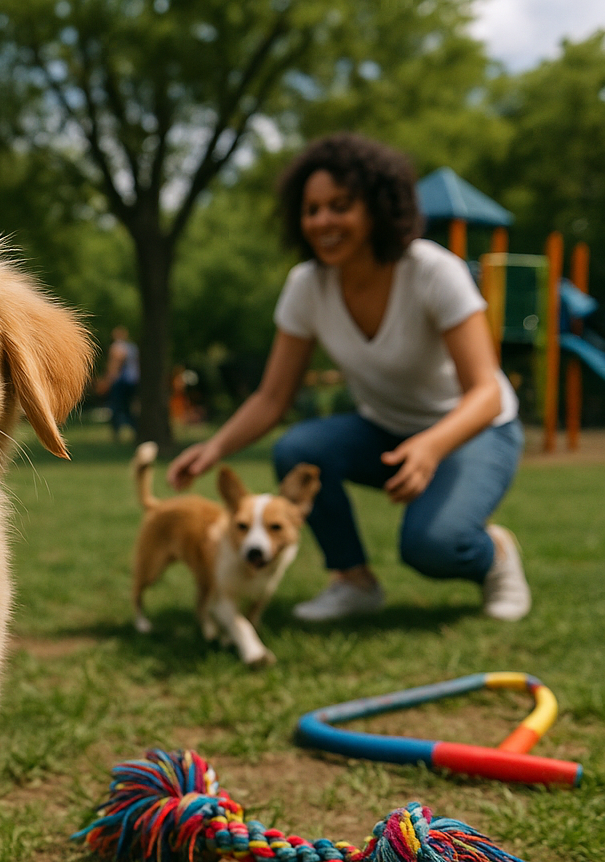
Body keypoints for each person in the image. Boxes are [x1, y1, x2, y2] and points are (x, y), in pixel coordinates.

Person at [167, 133, 530, 622]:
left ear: (378, 208)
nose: (322, 221)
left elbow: (486, 393)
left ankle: (495, 555)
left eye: (340, 206)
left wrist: (431, 447)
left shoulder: (432, 270)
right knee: (299, 449)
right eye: (311, 209)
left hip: (474, 430)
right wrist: (214, 448)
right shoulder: (307, 285)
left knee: (431, 545)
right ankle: (353, 581)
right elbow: (273, 396)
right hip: (386, 431)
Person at [94, 324, 139, 441]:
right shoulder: (132, 347)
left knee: (116, 407)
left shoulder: (116, 347)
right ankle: (135, 430)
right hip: (133, 381)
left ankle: (117, 433)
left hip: (120, 382)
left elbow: (115, 367)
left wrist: (106, 381)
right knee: (129, 407)